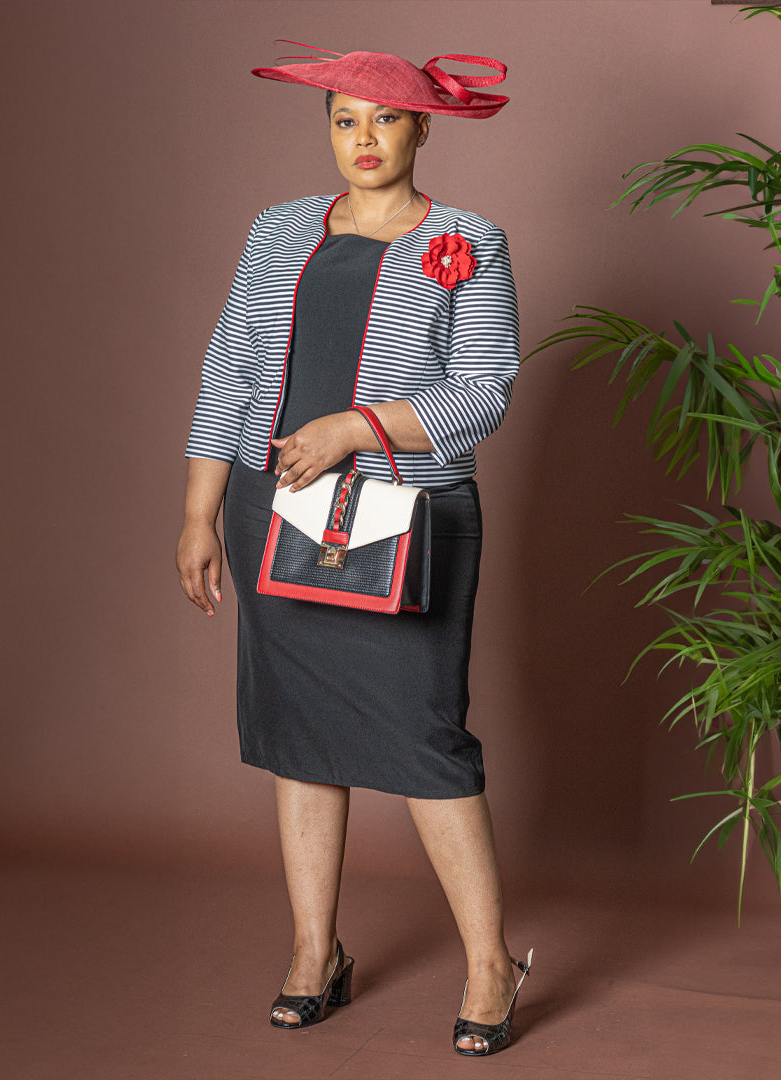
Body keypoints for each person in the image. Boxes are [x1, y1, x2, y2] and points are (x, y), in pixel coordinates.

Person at [176, 44, 527, 1058]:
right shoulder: (278, 230)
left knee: (425, 740)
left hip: (403, 512)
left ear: (424, 128)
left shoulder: (470, 239)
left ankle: (491, 964)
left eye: (382, 120)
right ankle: (312, 951)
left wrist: (356, 427)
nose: (362, 141)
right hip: (269, 503)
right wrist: (199, 512)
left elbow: (483, 389)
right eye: (342, 121)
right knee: (298, 733)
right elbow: (231, 369)